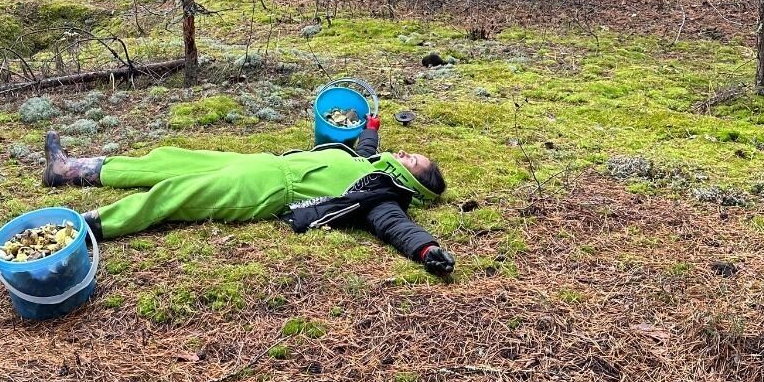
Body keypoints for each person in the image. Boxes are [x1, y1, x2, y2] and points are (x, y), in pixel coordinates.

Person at [42, 111, 456, 277]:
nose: (405, 153)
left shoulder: (381, 195)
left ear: (415, 182)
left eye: (413, 159)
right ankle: (70, 171)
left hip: (266, 188)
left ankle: (86, 229)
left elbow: (397, 228)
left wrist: (426, 251)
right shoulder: (372, 165)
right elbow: (366, 149)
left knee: (177, 193)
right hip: (259, 161)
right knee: (169, 159)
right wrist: (372, 125)